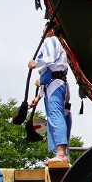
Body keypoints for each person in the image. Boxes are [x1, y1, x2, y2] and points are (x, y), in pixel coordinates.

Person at [28, 23, 72, 166]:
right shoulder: (56, 43)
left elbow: (48, 60)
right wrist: (39, 96)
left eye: (44, 30)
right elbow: (47, 72)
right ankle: (58, 153)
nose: (42, 33)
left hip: (55, 83)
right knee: (55, 116)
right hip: (54, 83)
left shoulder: (51, 40)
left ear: (51, 31)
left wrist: (35, 64)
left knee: (55, 115)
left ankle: (61, 153)